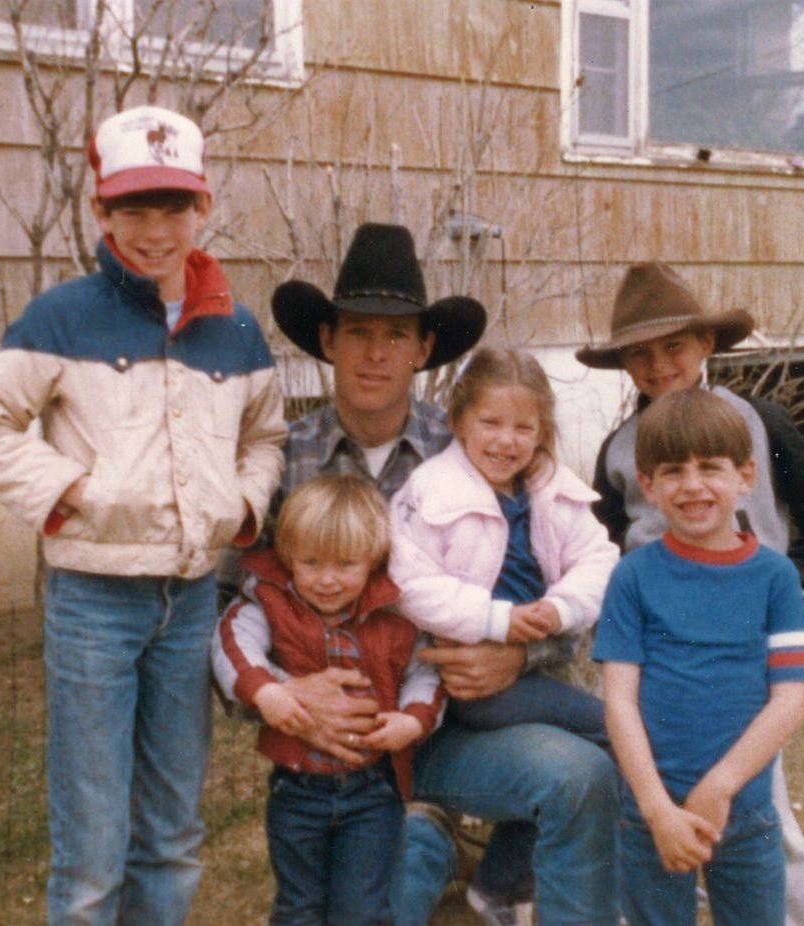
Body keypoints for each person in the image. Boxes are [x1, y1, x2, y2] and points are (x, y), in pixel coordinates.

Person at [0, 105, 288, 926]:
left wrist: (239, 504)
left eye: (173, 206)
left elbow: (266, 434)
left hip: (187, 606)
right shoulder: (61, 318)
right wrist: (74, 492)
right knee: (94, 849)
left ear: (201, 209)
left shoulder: (236, 330)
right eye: (133, 206)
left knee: (172, 834)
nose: (154, 228)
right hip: (94, 606)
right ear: (99, 210)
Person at [266, 223, 619, 926]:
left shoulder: (479, 446)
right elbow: (235, 604)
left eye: (396, 335)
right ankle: (430, 838)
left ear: (425, 350)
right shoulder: (282, 462)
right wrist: (285, 692)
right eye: (358, 331)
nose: (375, 352)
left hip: (462, 723)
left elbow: (563, 571)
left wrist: (521, 653)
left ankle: (509, 877)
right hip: (345, 746)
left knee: (583, 774)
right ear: (327, 341)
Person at [578, 260, 804, 926]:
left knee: (767, 820)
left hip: (743, 649)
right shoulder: (619, 448)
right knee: (656, 827)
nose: (659, 364)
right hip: (655, 639)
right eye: (640, 354)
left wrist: (800, 591)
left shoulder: (756, 422)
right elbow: (607, 535)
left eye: (674, 346)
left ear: (704, 346)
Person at [595, 389, 804, 926]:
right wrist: (656, 809)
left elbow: (788, 702)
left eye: (710, 467)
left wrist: (720, 786)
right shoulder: (632, 577)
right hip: (651, 816)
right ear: (647, 486)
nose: (693, 485)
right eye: (672, 471)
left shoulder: (776, 577)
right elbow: (620, 702)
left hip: (745, 814)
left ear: (745, 476)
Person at [213, 474, 445, 926]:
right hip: (297, 789)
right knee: (299, 906)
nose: (327, 579)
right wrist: (266, 691)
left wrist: (413, 722)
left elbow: (426, 671)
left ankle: (426, 849)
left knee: (362, 910)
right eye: (312, 563)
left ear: (373, 560)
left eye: (345, 564)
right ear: (288, 557)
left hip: (373, 790)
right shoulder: (269, 602)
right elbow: (231, 642)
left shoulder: (393, 614)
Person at [389, 347, 617, 743]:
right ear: (459, 422)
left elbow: (598, 558)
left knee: (607, 732)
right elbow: (407, 584)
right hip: (462, 677)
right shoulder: (431, 488)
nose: (506, 441)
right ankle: (650, 803)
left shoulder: (552, 488)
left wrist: (560, 608)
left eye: (523, 428)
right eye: (490, 423)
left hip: (534, 665)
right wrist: (496, 620)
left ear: (542, 431)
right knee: (609, 727)